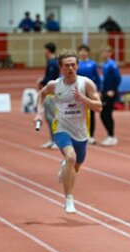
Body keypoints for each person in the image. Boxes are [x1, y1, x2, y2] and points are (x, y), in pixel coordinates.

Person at [34, 50, 102, 214]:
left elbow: (99, 107)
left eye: (73, 64)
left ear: (77, 65)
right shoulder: (55, 85)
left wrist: (83, 99)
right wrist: (38, 112)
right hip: (61, 128)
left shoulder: (86, 84)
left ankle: (66, 166)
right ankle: (69, 200)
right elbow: (41, 94)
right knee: (71, 156)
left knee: (75, 165)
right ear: (61, 68)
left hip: (80, 131)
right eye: (67, 65)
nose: (70, 68)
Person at [76, 44, 101, 144]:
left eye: (85, 51)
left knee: (91, 114)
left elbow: (97, 78)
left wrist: (98, 90)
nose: (83, 53)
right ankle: (80, 134)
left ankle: (90, 135)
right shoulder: (76, 63)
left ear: (88, 52)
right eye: (81, 51)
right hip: (79, 91)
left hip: (89, 92)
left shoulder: (92, 64)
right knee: (78, 113)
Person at [37, 42, 60, 149]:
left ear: (48, 50)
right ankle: (52, 139)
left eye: (45, 49)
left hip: (51, 93)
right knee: (48, 118)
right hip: (49, 92)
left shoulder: (53, 63)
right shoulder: (51, 62)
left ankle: (56, 140)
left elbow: (50, 78)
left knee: (53, 118)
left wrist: (42, 82)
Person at [99, 46, 121, 146]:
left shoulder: (112, 64)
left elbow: (118, 78)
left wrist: (113, 90)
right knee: (104, 114)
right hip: (105, 92)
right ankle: (110, 135)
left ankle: (111, 136)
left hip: (110, 92)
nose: (102, 54)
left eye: (104, 52)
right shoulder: (104, 65)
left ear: (109, 53)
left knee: (106, 113)